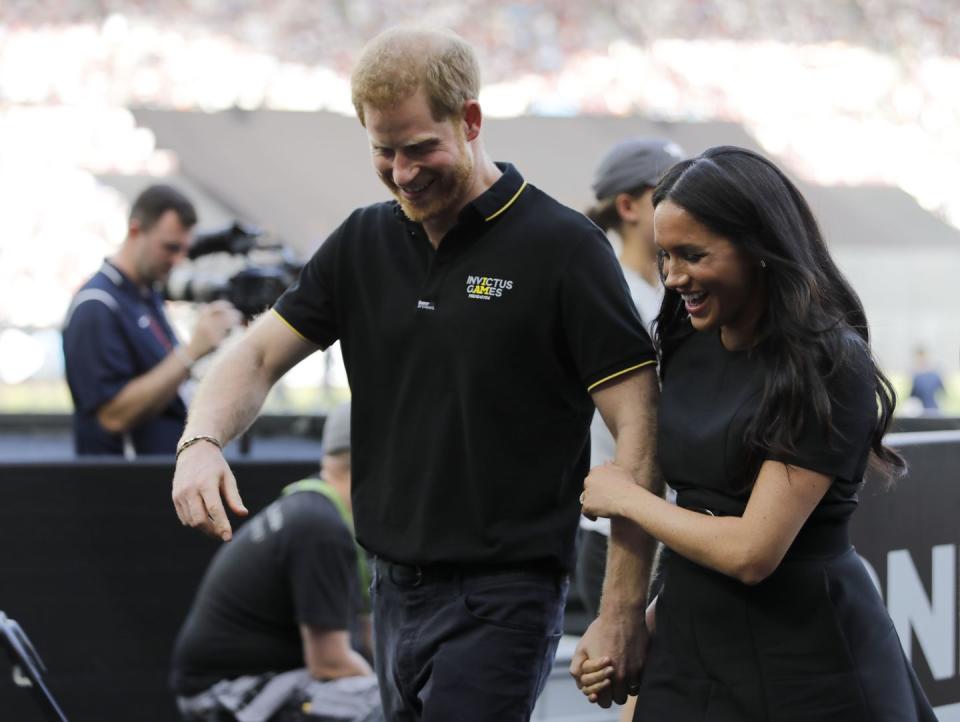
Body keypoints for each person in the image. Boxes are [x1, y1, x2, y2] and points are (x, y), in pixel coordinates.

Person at [171, 26, 660, 722]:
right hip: (392, 592)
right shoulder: (362, 241)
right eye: (383, 150)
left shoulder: (563, 247)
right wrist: (201, 442)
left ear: (470, 120)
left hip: (505, 595)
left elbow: (640, 427)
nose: (402, 171)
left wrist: (620, 610)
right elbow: (253, 355)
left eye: (420, 147)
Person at [573, 146, 937, 721]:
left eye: (693, 256)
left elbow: (751, 552)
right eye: (665, 256)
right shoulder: (685, 337)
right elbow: (704, 512)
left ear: (759, 249)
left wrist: (629, 499)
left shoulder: (828, 361)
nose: (673, 277)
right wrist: (635, 624)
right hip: (694, 644)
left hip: (810, 662)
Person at [170, 401, 382, 722]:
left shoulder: (318, 508)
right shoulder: (320, 527)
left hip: (266, 680)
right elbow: (330, 664)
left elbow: (367, 638)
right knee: (389, 708)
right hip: (225, 694)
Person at [578, 137, 685, 616]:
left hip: (667, 521)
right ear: (628, 205)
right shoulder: (612, 294)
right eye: (668, 192)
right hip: (621, 534)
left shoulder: (670, 291)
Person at [62, 184, 241, 456]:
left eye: (184, 249)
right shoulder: (97, 305)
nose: (178, 260)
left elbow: (169, 386)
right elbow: (113, 416)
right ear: (135, 231)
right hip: (120, 487)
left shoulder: (146, 294)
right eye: (170, 247)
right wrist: (192, 351)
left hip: (155, 479)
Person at [909, 346, 945, 412]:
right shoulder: (918, 377)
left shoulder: (933, 376)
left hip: (929, 411)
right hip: (927, 411)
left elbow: (911, 397)